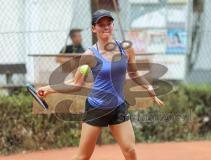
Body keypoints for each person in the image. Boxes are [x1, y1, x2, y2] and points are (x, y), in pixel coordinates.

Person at [37, 9, 164, 160]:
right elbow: (76, 83)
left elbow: (134, 74)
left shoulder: (126, 49)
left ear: (113, 25)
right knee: (83, 156)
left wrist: (149, 88)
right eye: (101, 24)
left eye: (108, 23)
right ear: (93, 28)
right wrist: (49, 89)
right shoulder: (89, 56)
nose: (105, 27)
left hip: (118, 107)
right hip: (96, 108)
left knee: (130, 151)